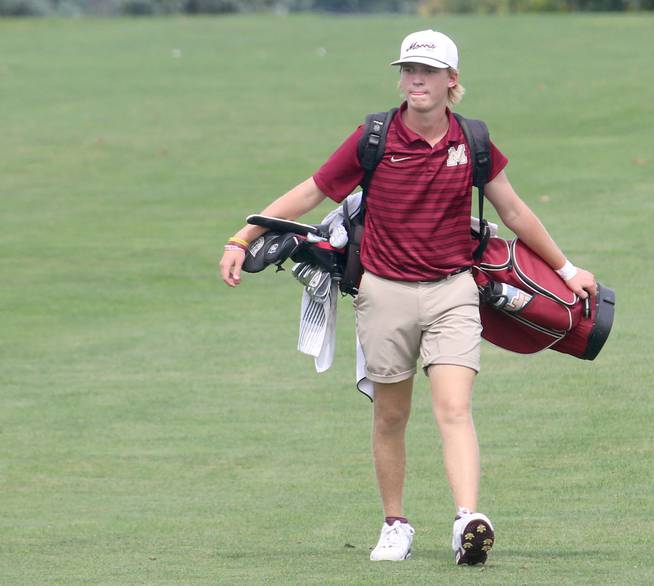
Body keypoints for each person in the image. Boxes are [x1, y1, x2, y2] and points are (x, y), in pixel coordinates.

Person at [219, 29, 597, 565]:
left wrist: (568, 268)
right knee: (390, 417)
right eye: (407, 70)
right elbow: (312, 190)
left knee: (454, 409)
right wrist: (244, 236)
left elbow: (513, 211)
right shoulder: (373, 136)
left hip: (453, 293)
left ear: (451, 81)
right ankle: (395, 524)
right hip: (383, 294)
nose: (415, 80)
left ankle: (468, 519)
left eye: (427, 71)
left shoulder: (473, 141)